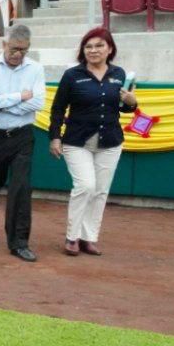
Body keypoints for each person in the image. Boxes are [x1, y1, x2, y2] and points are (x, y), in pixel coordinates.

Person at [48, 27, 138, 256]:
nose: (93, 50)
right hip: (77, 141)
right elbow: (58, 108)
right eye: (88, 46)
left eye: (99, 45)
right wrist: (55, 137)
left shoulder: (119, 74)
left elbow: (124, 108)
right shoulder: (72, 75)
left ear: (109, 49)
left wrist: (131, 102)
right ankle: (71, 237)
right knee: (85, 186)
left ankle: (89, 238)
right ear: (82, 50)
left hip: (110, 141)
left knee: (100, 191)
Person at [0, 24, 45, 262]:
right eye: (15, 49)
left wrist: (1, 101)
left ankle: (19, 242)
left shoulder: (35, 69)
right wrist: (17, 98)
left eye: (24, 50)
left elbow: (37, 103)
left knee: (21, 187)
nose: (19, 54)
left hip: (22, 136)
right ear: (4, 44)